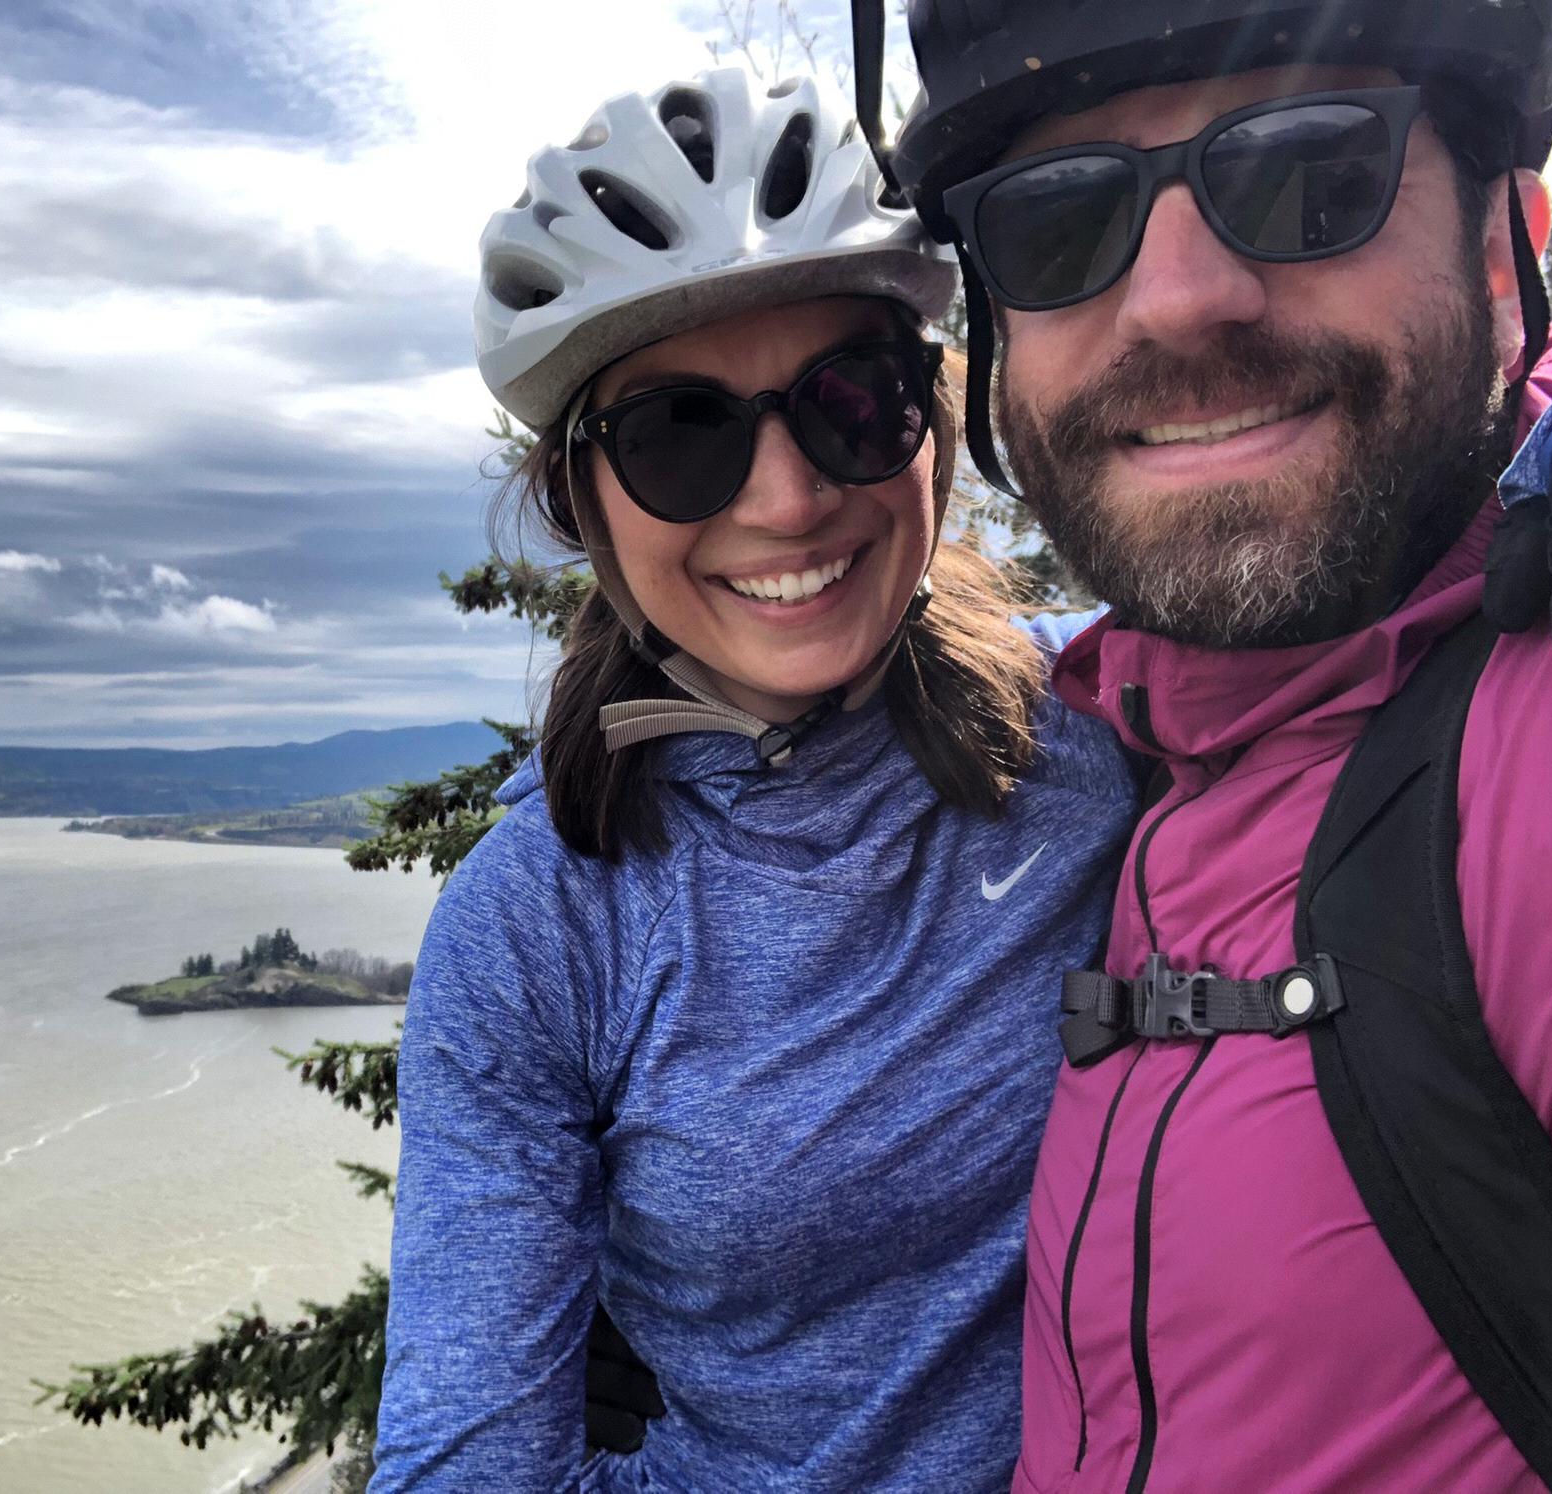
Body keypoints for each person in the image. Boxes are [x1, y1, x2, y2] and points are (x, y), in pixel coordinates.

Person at [869, 0, 1552, 1487]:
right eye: (1057, 219)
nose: (1175, 298)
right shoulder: (1114, 735)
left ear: (1507, 242)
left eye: (1307, 172)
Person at [370, 67, 1140, 1491]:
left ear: (935, 424)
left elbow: (1394, 597)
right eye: (680, 435)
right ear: (579, 501)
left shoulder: (1114, 715)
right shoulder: (542, 924)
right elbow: (469, 1463)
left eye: (854, 401)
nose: (786, 498)